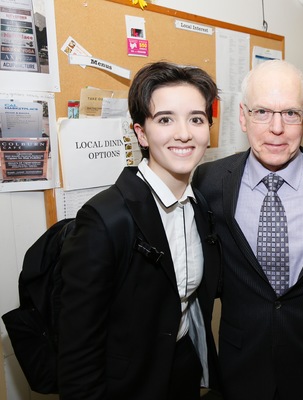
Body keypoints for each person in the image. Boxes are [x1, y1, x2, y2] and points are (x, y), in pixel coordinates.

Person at [192, 59, 303, 400]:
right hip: (243, 362)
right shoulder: (207, 183)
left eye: (290, 113)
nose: (277, 128)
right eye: (262, 112)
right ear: (242, 116)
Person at [58, 61, 221, 399]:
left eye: (196, 119)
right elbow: (77, 354)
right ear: (141, 133)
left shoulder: (201, 207)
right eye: (165, 119)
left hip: (181, 369)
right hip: (127, 385)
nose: (184, 133)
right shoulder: (105, 219)